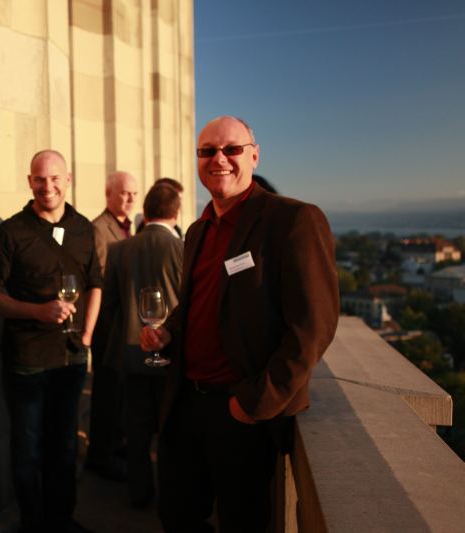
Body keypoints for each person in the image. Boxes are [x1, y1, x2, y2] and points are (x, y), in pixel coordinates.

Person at [142, 115, 339, 532]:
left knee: (241, 524)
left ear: (254, 155)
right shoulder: (198, 230)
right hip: (186, 404)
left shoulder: (293, 219)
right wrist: (167, 332)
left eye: (231, 149)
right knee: (176, 516)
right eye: (207, 151)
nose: (219, 159)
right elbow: (195, 304)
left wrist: (254, 403)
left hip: (241, 412)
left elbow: (313, 327)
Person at [0, 149, 102, 533]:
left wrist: (87, 334)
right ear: (30, 181)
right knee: (28, 449)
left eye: (54, 178)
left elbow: (95, 283)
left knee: (65, 446)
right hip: (28, 359)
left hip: (72, 356)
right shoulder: (9, 233)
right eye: (40, 178)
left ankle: (61, 520)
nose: (47, 186)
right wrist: (38, 311)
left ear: (68, 180)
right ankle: (33, 524)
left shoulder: (83, 228)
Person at [102, 183, 183, 508]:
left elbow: (110, 307)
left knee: (136, 432)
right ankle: (171, 497)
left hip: (132, 354)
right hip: (173, 357)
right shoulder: (182, 249)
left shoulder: (119, 250)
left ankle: (139, 493)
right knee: (171, 433)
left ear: (145, 212)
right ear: (176, 213)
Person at [86, 170, 138, 481]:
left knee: (120, 393)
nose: (130, 198)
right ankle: (100, 456)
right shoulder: (99, 229)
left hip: (124, 324)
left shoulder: (129, 227)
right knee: (106, 394)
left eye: (134, 193)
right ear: (109, 195)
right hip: (108, 325)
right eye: (124, 193)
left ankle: (116, 445)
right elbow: (101, 278)